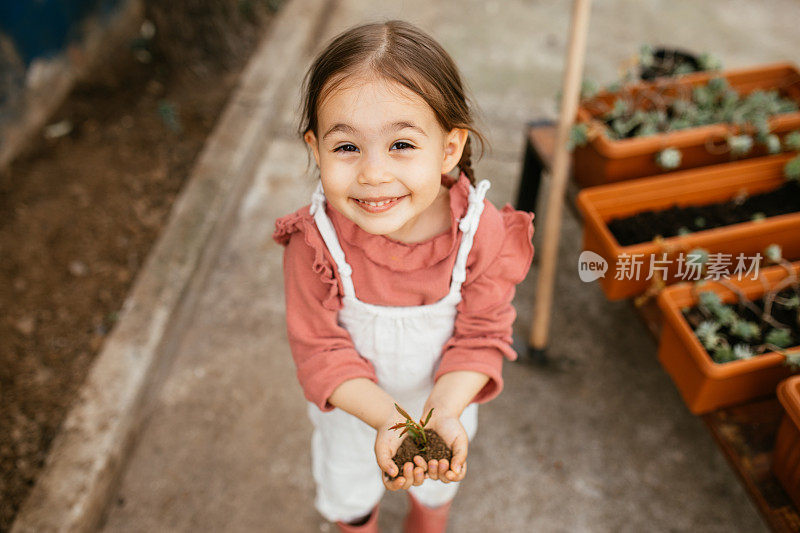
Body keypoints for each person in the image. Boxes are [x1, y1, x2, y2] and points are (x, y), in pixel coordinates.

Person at [273, 20, 534, 533]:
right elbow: (320, 351)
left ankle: (429, 519)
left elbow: (482, 334)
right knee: (348, 488)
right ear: (315, 147)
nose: (373, 173)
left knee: (438, 479)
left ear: (449, 149)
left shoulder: (480, 234)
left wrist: (442, 411)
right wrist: (389, 420)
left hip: (446, 401)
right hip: (351, 412)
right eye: (346, 147)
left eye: (401, 145)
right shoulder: (315, 244)